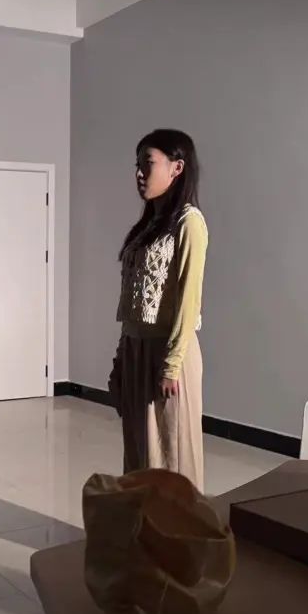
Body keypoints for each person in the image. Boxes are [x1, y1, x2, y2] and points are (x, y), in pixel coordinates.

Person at [109, 130, 208, 491]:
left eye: (147, 164)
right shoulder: (148, 226)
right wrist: (121, 360)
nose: (139, 173)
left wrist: (171, 365)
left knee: (171, 455)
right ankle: (143, 525)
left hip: (169, 355)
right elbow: (131, 305)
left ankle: (177, 526)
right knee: (140, 454)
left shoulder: (189, 222)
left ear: (177, 167)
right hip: (136, 351)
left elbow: (188, 303)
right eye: (137, 165)